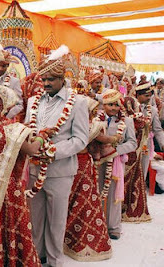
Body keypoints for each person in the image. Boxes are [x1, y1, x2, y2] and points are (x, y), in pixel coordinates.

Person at [24, 45, 89, 267]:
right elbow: (28, 130)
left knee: (56, 221)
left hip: (60, 172)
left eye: (51, 79)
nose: (46, 84)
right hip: (33, 169)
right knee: (35, 218)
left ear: (62, 78)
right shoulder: (34, 102)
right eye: (43, 79)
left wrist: (53, 152)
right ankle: (37, 257)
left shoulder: (77, 102)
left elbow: (81, 139)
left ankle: (54, 261)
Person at [0, 84, 41, 266]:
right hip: (9, 190)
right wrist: (41, 136)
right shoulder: (11, 130)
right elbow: (33, 150)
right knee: (11, 228)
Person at [64, 97, 112, 261]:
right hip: (81, 164)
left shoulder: (72, 124)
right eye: (92, 111)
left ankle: (68, 237)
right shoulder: (91, 126)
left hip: (77, 164)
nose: (94, 114)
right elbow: (104, 139)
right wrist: (117, 138)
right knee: (82, 201)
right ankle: (74, 237)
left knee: (76, 201)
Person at [95, 89, 137, 240]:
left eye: (116, 105)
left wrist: (116, 150)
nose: (113, 108)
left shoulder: (127, 121)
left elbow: (133, 143)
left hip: (115, 162)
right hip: (97, 161)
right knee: (97, 192)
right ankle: (97, 225)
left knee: (113, 194)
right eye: (110, 104)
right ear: (103, 104)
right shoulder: (96, 118)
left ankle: (114, 228)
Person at [122, 96, 152, 222]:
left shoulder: (146, 113)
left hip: (137, 152)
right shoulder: (123, 117)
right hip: (123, 154)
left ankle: (126, 207)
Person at [0, 40, 23, 119]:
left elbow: (19, 105)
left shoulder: (14, 82)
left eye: (3, 66)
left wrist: (6, 117)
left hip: (6, 120)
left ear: (8, 65)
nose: (0, 68)